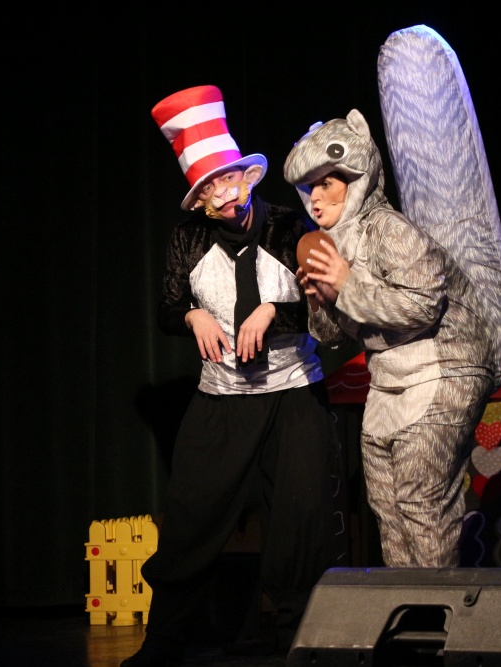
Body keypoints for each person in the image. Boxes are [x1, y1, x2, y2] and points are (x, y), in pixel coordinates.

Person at [121, 85, 341, 667]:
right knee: (191, 519)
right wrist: (191, 315)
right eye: (208, 188)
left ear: (247, 176)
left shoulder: (289, 227)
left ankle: (300, 639)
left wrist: (274, 310)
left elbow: (328, 310)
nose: (223, 194)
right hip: (221, 398)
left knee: (298, 522)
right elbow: (168, 309)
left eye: (228, 179)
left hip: (293, 396)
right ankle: (165, 641)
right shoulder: (188, 239)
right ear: (199, 201)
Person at [283, 108, 501, 569]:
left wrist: (347, 285)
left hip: (444, 366)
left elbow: (422, 306)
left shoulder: (390, 228)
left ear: (357, 178)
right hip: (389, 377)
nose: (315, 199)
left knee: (420, 499)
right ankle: (407, 601)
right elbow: (333, 336)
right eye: (309, 188)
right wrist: (322, 301)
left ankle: (437, 606)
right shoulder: (334, 244)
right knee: (386, 504)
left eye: (326, 183)